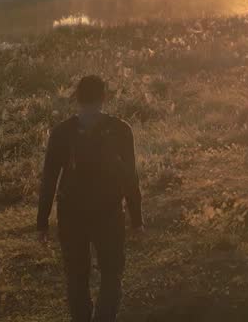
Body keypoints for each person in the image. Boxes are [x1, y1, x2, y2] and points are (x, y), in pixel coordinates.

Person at [37, 75, 144, 322]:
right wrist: (136, 219)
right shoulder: (120, 129)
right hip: (108, 212)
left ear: (77, 98)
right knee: (111, 273)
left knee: (76, 276)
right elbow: (130, 178)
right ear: (103, 97)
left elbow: (49, 180)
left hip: (71, 213)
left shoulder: (62, 132)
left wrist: (42, 223)